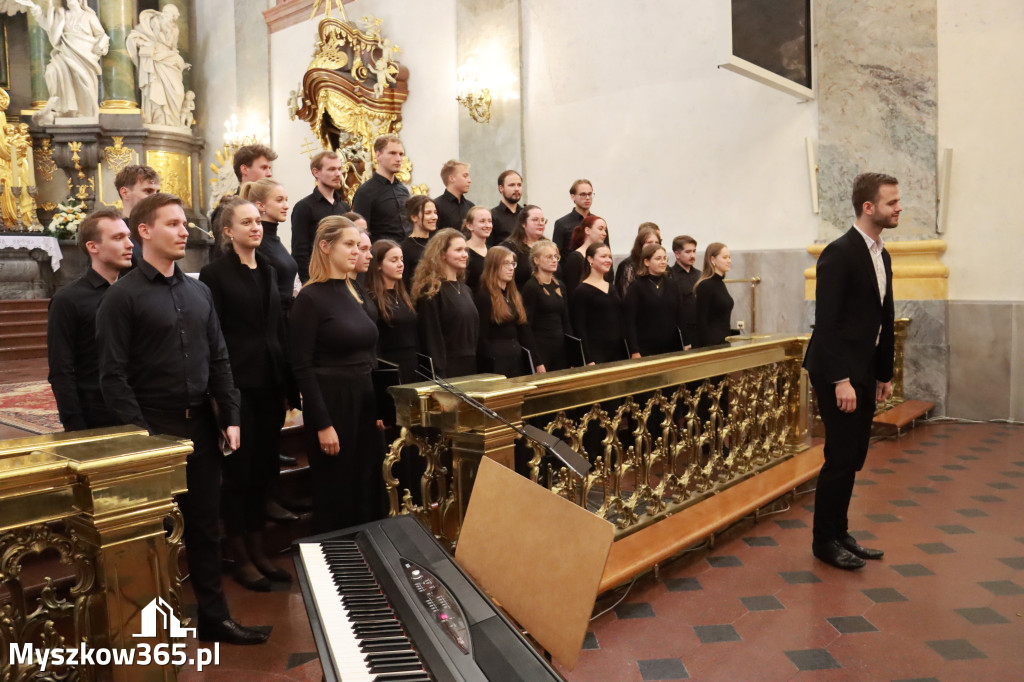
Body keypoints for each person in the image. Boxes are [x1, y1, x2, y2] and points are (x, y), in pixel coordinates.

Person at [96, 193, 268, 645]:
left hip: (200, 429)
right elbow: (112, 377)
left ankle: (214, 617)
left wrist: (229, 414)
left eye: (183, 224)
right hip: (153, 428)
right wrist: (143, 438)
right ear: (144, 231)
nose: (183, 231)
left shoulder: (198, 291)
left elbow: (219, 357)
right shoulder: (122, 298)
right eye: (171, 224)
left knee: (206, 528)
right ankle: (146, 632)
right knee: (153, 536)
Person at [199, 198, 296, 592]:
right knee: (240, 473)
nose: (256, 227)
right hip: (237, 383)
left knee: (264, 470)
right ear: (228, 231)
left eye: (258, 221)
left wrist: (288, 385)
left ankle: (259, 549)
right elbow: (214, 334)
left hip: (270, 383)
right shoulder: (214, 274)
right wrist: (220, 393)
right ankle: (240, 554)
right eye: (247, 222)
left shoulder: (269, 270)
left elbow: (277, 329)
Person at [803, 172, 898, 571]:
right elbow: (827, 324)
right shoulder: (839, 252)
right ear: (868, 207)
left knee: (855, 454)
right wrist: (841, 379)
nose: (899, 208)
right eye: (892, 202)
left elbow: (884, 315)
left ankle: (840, 531)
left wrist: (883, 373)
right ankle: (824, 541)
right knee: (840, 456)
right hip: (835, 371)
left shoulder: (882, 253)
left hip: (863, 369)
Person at [289, 216, 383, 533]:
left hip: (365, 399)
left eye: (359, 245)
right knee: (337, 487)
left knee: (367, 483)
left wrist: (381, 407)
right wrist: (323, 423)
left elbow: (370, 355)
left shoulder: (355, 291)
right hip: (333, 402)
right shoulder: (310, 298)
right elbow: (301, 365)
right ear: (326, 246)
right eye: (349, 244)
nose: (356, 251)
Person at [47, 208, 134, 432]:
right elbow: (61, 370)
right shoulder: (68, 300)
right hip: (97, 415)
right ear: (93, 247)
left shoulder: (135, 291)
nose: (130, 244)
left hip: (140, 409)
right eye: (118, 238)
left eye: (128, 236)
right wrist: (75, 428)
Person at [411, 228, 479, 378]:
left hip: (470, 367)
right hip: (446, 370)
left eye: (466, 250)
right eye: (459, 250)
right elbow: (431, 339)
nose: (465, 255)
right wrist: (439, 374)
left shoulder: (465, 289)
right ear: (442, 254)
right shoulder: (431, 290)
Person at [27, 0, 109, 124]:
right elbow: (48, 25)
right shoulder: (63, 15)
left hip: (85, 52)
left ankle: (85, 112)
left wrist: (100, 45)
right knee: (51, 71)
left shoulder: (89, 16)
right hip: (66, 50)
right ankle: (66, 108)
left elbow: (101, 35)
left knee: (82, 80)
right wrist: (36, 11)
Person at [474, 246, 543, 377]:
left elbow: (524, 330)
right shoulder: (484, 296)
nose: (511, 268)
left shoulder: (513, 295)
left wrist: (537, 361)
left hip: (516, 358)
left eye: (513, 263)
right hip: (497, 362)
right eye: (506, 264)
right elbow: (481, 337)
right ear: (493, 266)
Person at [291, 151, 352, 283]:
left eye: (339, 169)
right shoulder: (304, 207)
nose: (338, 174)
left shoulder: (345, 207)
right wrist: (309, 282)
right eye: (331, 169)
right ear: (316, 172)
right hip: (317, 278)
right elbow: (300, 252)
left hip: (342, 278)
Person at [240, 178, 298, 315]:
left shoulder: (273, 239)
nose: (286, 206)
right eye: (279, 200)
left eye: (286, 199)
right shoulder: (257, 243)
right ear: (261, 206)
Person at [126, 5, 190, 126]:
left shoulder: (175, 28)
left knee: (178, 92)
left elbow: (173, 48)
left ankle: (173, 120)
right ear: (165, 13)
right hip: (155, 58)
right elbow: (135, 36)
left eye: (175, 18)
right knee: (156, 87)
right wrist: (147, 44)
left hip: (169, 59)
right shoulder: (152, 23)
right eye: (172, 16)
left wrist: (181, 63)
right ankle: (159, 119)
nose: (173, 20)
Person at [365, 240, 418, 384]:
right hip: (390, 365)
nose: (400, 264)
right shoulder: (372, 298)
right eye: (394, 260)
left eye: (401, 259)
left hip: (411, 363)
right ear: (378, 265)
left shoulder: (403, 295)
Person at [625, 243, 686, 357]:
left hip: (672, 347)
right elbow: (630, 322)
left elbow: (680, 315)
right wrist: (634, 350)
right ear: (646, 262)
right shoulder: (636, 287)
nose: (663, 262)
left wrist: (686, 342)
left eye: (664, 258)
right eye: (658, 259)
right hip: (646, 348)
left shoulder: (673, 285)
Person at [570, 243, 627, 364]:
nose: (608, 260)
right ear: (590, 259)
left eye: (610, 257)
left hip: (617, 352)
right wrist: (588, 359)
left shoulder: (611, 287)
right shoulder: (581, 291)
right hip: (596, 354)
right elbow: (579, 328)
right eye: (603, 256)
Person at [211, 144, 278, 246]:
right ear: (244, 169)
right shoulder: (227, 208)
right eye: (264, 168)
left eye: (269, 168)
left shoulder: (266, 206)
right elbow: (222, 252)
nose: (269, 174)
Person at [521, 239, 572, 371]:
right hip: (542, 349)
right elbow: (526, 326)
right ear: (536, 260)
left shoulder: (559, 285)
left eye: (556, 257)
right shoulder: (531, 287)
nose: (554, 260)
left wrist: (572, 354)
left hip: (560, 349)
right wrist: (537, 361)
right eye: (549, 257)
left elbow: (566, 321)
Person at [351, 134, 410, 243]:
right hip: (381, 255)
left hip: (405, 253)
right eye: (392, 153)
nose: (398, 159)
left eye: (401, 154)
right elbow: (360, 232)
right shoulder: (365, 192)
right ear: (378, 155)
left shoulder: (403, 190)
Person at [115, 165, 161, 268]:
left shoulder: (158, 229)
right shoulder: (113, 233)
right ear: (125, 193)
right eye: (148, 191)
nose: (156, 197)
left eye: (157, 192)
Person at [694, 242, 734, 347]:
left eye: (729, 257)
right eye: (725, 257)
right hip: (712, 344)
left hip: (724, 340)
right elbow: (701, 321)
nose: (729, 261)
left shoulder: (720, 283)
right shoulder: (705, 285)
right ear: (713, 260)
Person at [500, 204, 547, 289]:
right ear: (523, 223)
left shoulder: (547, 246)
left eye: (543, 220)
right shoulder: (509, 247)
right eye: (535, 220)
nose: (540, 223)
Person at [562, 214, 611, 295]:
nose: (604, 233)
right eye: (600, 229)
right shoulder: (575, 258)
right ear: (587, 230)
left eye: (605, 230)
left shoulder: (603, 257)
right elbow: (571, 292)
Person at [615, 222, 662, 298]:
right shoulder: (628, 266)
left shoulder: (662, 264)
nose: (654, 246)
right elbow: (625, 297)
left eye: (657, 242)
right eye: (649, 242)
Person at [552, 179, 595, 259]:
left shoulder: (597, 223)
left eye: (590, 194)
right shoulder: (561, 224)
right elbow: (557, 256)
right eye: (583, 194)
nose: (587, 198)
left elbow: (606, 251)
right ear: (573, 196)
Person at [670, 235, 700, 348]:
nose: (692, 256)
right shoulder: (670, 276)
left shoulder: (699, 274)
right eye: (688, 252)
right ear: (677, 254)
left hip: (700, 330)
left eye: (694, 251)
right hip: (682, 333)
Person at [400, 195, 437, 285]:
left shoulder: (437, 243)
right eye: (428, 213)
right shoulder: (405, 248)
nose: (434, 217)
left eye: (435, 212)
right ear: (414, 217)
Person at [433, 159, 474, 229]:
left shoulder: (470, 207)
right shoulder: (436, 206)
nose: (469, 180)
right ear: (451, 178)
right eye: (465, 176)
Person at [489, 170, 523, 246]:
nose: (517, 189)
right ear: (501, 188)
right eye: (512, 185)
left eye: (519, 185)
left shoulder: (526, 214)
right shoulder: (491, 216)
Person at [463, 206, 492, 291]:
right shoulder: (463, 252)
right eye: (482, 221)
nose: (487, 225)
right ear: (469, 226)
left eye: (489, 221)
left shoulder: (492, 251)